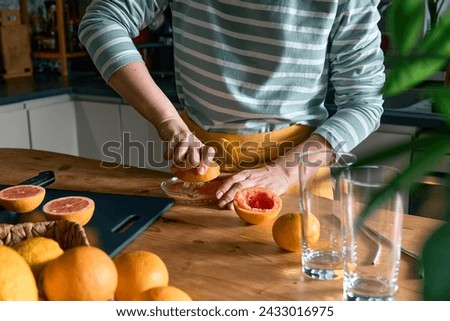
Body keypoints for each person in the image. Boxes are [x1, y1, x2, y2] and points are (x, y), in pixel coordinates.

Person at [78, 0, 385, 209]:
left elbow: (364, 102)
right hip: (199, 175)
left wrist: (283, 173)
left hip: (297, 177)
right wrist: (169, 122)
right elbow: (101, 20)